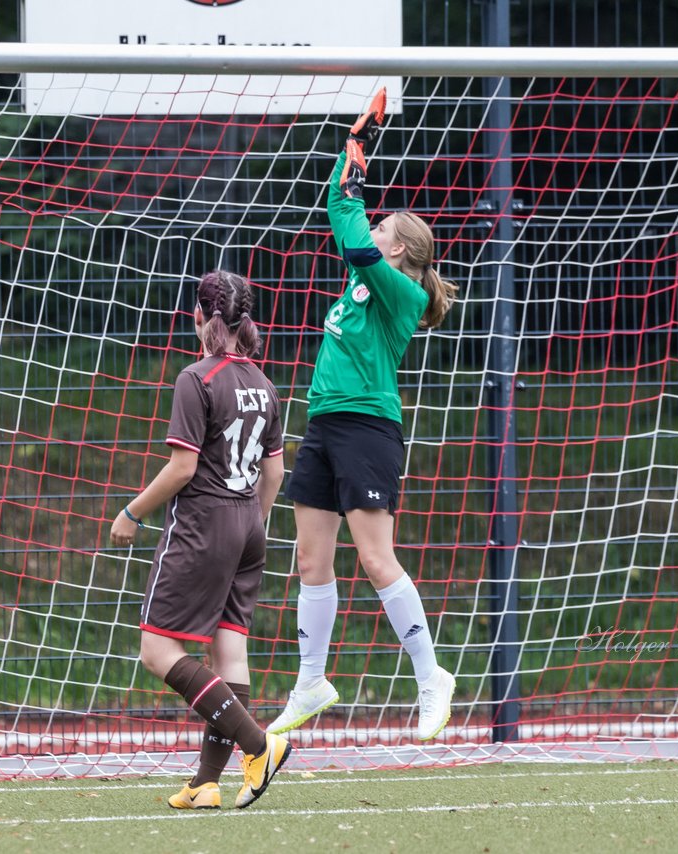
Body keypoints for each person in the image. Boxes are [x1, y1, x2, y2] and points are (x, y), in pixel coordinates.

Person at [269, 88, 459, 742]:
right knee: (310, 560)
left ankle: (431, 675)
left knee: (377, 560)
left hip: (367, 429)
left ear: (402, 249)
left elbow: (352, 236)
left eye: (385, 226)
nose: (374, 227)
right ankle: (311, 681)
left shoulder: (398, 291)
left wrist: (353, 175)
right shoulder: (365, 274)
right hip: (324, 424)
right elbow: (342, 215)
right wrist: (348, 159)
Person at [110, 270, 289, 810]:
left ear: (199, 317)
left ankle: (259, 744)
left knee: (157, 649)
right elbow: (275, 473)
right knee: (229, 651)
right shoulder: (264, 383)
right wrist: (250, 523)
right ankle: (207, 782)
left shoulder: (198, 377)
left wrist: (132, 512)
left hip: (203, 525)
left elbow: (183, 467)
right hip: (248, 524)